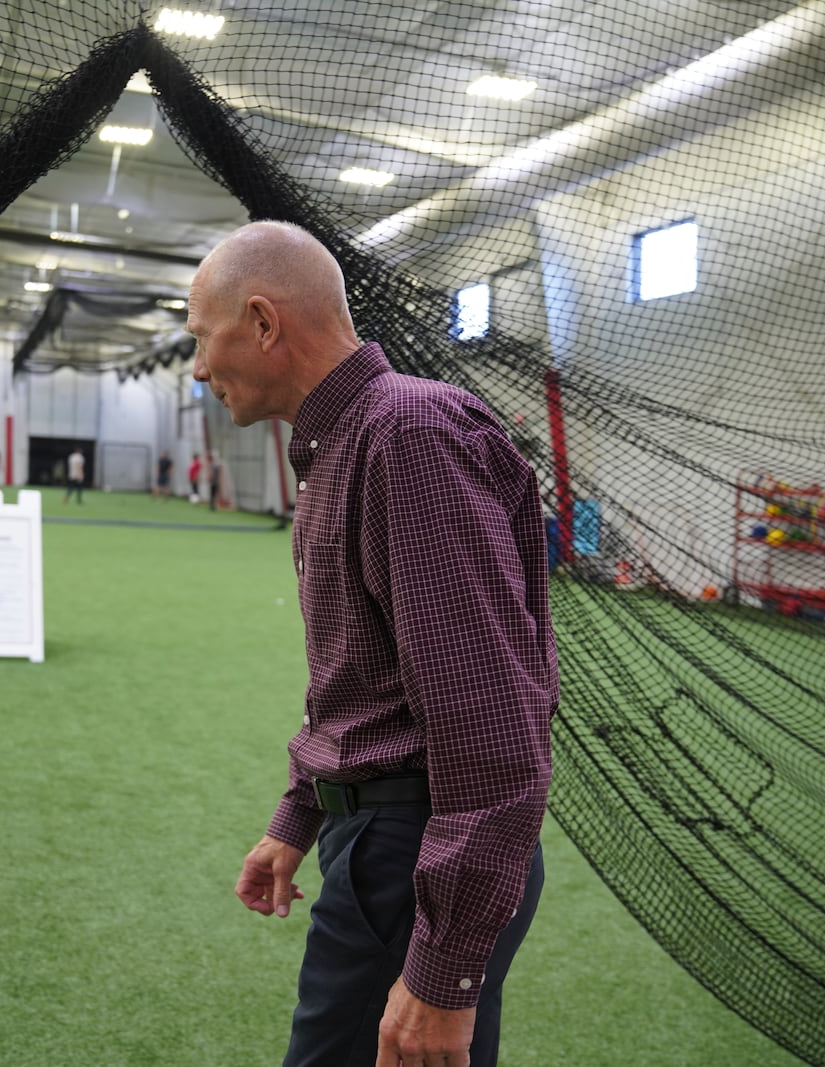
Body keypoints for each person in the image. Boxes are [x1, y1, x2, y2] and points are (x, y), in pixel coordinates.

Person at [192, 221, 557, 1067]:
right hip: (388, 842)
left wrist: (442, 974)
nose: (201, 368)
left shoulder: (406, 437)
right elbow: (361, 683)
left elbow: (491, 726)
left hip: (416, 857)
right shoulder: (345, 444)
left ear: (262, 321)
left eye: (203, 340)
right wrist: (300, 815)